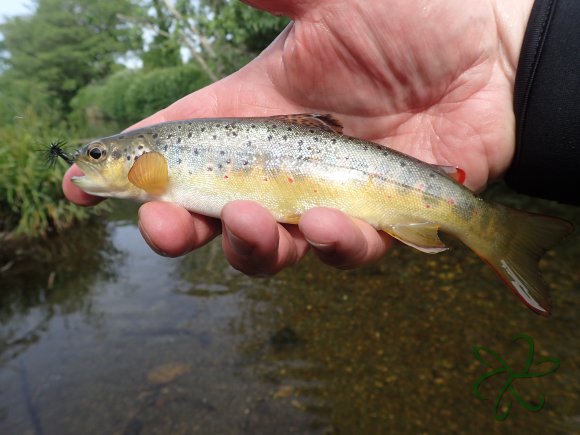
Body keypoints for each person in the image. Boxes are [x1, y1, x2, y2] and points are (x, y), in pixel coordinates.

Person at [63, 0, 579, 276]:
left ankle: (497, 230)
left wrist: (509, 46)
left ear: (141, 161)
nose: (88, 162)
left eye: (97, 155)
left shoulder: (159, 160)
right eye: (94, 154)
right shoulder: (159, 168)